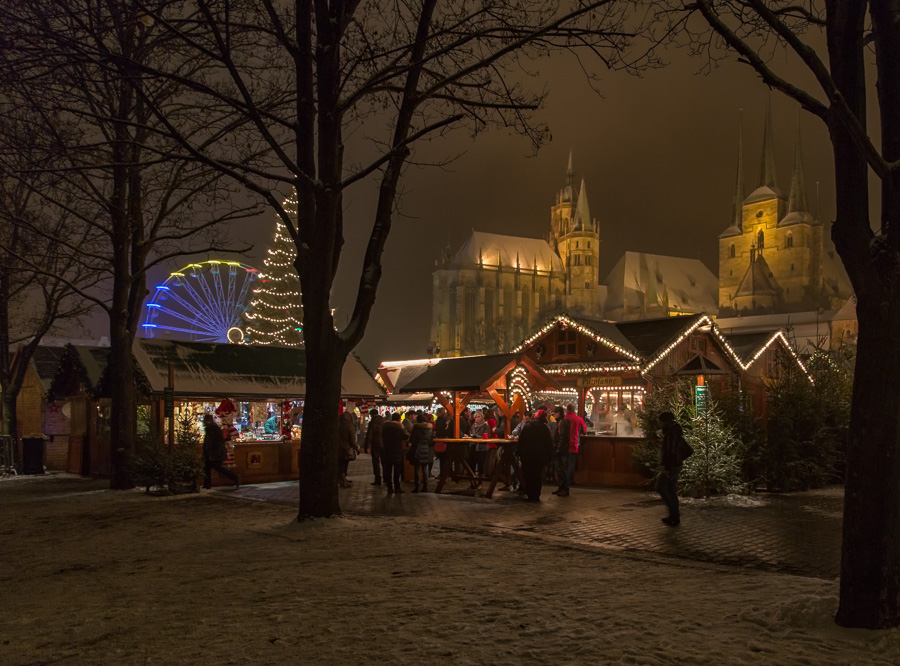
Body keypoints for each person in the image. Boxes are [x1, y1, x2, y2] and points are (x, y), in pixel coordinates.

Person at [658, 411, 690, 526]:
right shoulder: (676, 431)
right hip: (676, 464)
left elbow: (669, 451)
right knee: (671, 489)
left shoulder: (670, 433)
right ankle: (674, 516)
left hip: (671, 466)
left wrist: (667, 467)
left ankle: (674, 514)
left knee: (661, 487)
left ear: (665, 422)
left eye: (660, 421)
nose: (659, 424)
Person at [515, 409, 554, 501]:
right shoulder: (544, 428)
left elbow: (522, 441)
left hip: (527, 455)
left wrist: (519, 453)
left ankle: (530, 493)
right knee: (537, 475)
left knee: (528, 474)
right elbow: (548, 443)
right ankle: (536, 494)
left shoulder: (528, 426)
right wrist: (549, 455)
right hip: (540, 456)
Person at [202, 414, 239, 489]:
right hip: (216, 452)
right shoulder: (214, 428)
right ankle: (207, 485)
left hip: (214, 453)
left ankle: (235, 477)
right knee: (210, 468)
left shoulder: (210, 429)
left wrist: (208, 451)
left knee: (215, 468)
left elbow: (210, 442)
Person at [381, 412, 408, 494]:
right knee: (397, 471)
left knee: (388, 470)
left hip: (387, 451)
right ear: (399, 419)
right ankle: (397, 488)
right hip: (397, 451)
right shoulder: (399, 428)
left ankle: (389, 488)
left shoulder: (385, 428)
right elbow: (405, 436)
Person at [408, 414, 434, 493]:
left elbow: (412, 439)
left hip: (417, 450)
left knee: (417, 469)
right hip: (426, 450)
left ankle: (417, 487)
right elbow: (431, 441)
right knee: (425, 469)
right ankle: (425, 487)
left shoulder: (416, 428)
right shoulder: (429, 429)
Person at [551, 406, 572, 496]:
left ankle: (565, 488)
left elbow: (563, 437)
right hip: (559, 448)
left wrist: (559, 449)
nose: (554, 414)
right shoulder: (560, 422)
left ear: (559, 413)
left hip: (561, 450)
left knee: (561, 470)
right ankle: (561, 487)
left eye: (555, 413)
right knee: (559, 470)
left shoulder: (562, 423)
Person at [364, 409, 385, 486]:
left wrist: (367, 446)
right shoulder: (384, 422)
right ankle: (386, 478)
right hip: (384, 445)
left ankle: (378, 479)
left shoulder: (372, 423)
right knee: (384, 462)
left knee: (376, 462)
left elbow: (369, 435)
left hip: (375, 445)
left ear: (371, 415)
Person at [338, 412, 358, 488]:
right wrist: (356, 448)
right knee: (344, 464)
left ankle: (342, 479)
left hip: (338, 448)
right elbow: (352, 439)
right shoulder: (348, 426)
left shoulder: (338, 425)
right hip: (346, 448)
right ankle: (343, 481)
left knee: (340, 464)